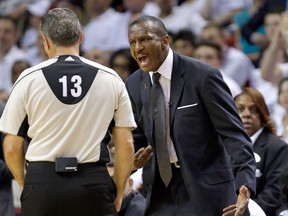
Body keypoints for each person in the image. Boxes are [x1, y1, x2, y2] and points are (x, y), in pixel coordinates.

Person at [0, 8, 136, 216]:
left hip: (43, 183)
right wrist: (118, 190)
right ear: (80, 37)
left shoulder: (28, 79)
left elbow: (11, 147)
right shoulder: (111, 78)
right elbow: (125, 144)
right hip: (93, 184)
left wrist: (24, 182)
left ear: (45, 41)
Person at [126, 15, 256, 216]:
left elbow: (235, 136)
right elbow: (139, 138)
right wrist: (127, 163)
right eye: (133, 42)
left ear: (165, 41)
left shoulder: (203, 76)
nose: (138, 47)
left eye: (144, 39)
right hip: (161, 192)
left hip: (206, 189)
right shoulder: (134, 84)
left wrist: (245, 182)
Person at [234, 87, 288, 216]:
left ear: (262, 113)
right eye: (240, 109)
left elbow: (275, 192)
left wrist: (245, 212)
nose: (246, 114)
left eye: (253, 109)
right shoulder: (222, 145)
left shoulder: (278, 147)